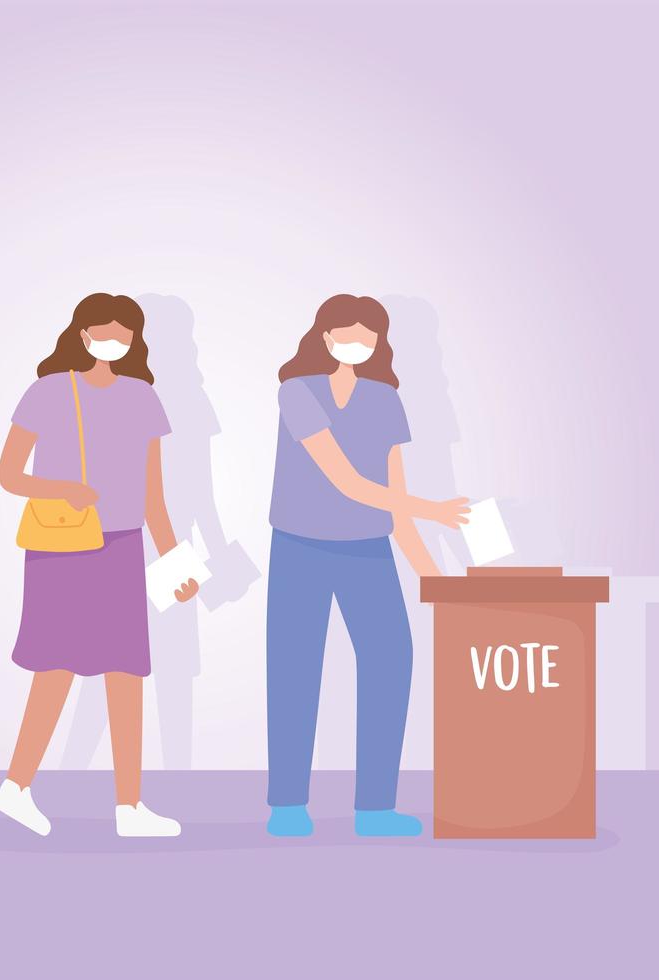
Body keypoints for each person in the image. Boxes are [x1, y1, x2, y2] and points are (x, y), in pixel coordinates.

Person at [0, 293, 198, 837]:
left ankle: (129, 807)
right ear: (81, 334)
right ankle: (15, 787)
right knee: (55, 667)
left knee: (125, 671)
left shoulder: (143, 397)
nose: (113, 341)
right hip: (60, 545)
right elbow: (9, 475)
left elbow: (154, 493)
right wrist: (62, 488)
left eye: (124, 334)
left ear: (134, 340)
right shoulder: (46, 391)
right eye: (103, 331)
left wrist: (176, 562)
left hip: (122, 545)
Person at [266, 294, 469, 837]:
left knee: (391, 663)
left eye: (369, 335)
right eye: (345, 332)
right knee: (293, 671)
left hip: (368, 550)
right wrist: (436, 512)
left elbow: (391, 497)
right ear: (324, 336)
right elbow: (347, 482)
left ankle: (375, 807)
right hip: (300, 547)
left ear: (379, 343)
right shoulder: (297, 392)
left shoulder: (386, 400)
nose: (356, 342)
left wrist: (432, 577)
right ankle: (287, 803)